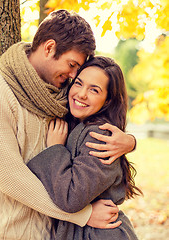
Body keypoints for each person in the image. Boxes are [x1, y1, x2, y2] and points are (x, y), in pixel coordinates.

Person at [0, 9, 135, 240]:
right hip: (8, 234)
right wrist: (83, 215)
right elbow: (11, 179)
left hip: (54, 234)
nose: (72, 77)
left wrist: (130, 142)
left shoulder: (62, 96)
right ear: (49, 48)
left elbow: (93, 129)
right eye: (71, 65)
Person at [27, 56, 142, 239]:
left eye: (94, 90)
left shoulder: (101, 135)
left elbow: (72, 198)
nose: (81, 94)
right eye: (79, 83)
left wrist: (56, 148)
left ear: (107, 101)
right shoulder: (77, 124)